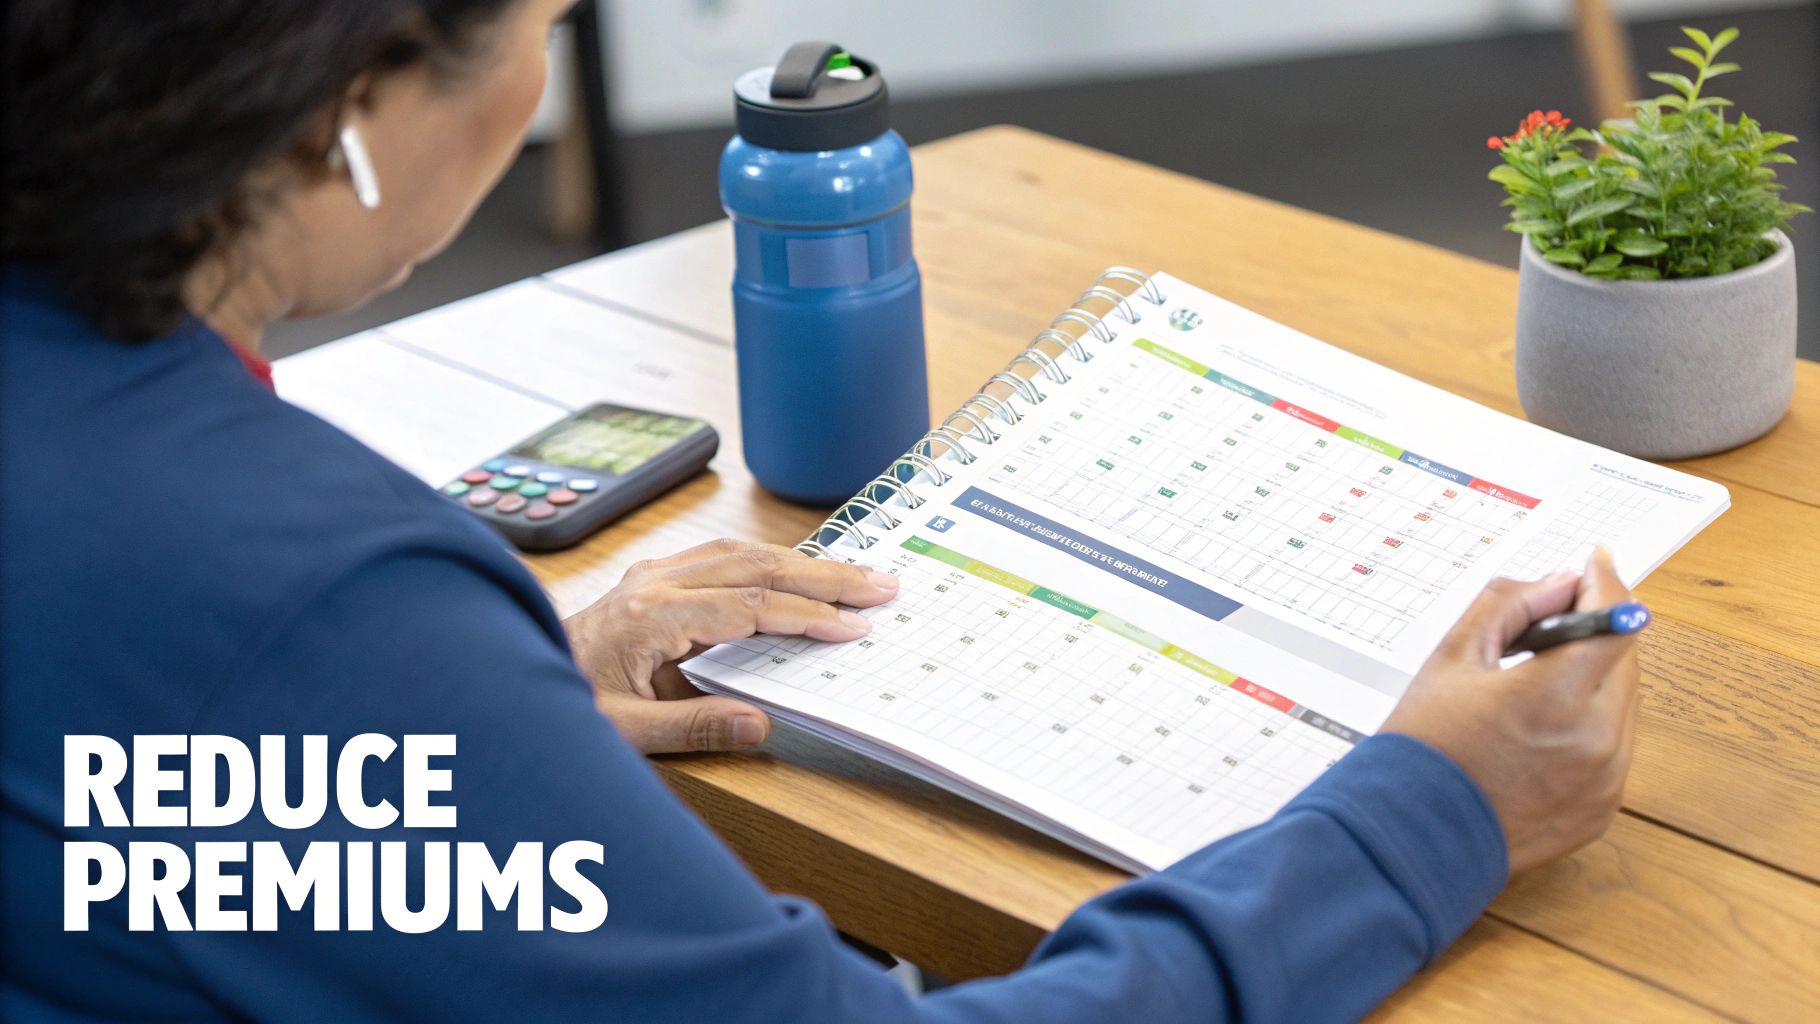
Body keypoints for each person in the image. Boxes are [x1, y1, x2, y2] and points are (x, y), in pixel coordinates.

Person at [0, 2, 1643, 1020]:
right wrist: (1431, 811)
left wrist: (464, 723)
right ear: (342, 102)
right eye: (540, 21)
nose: (529, 95)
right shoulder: (310, 602)